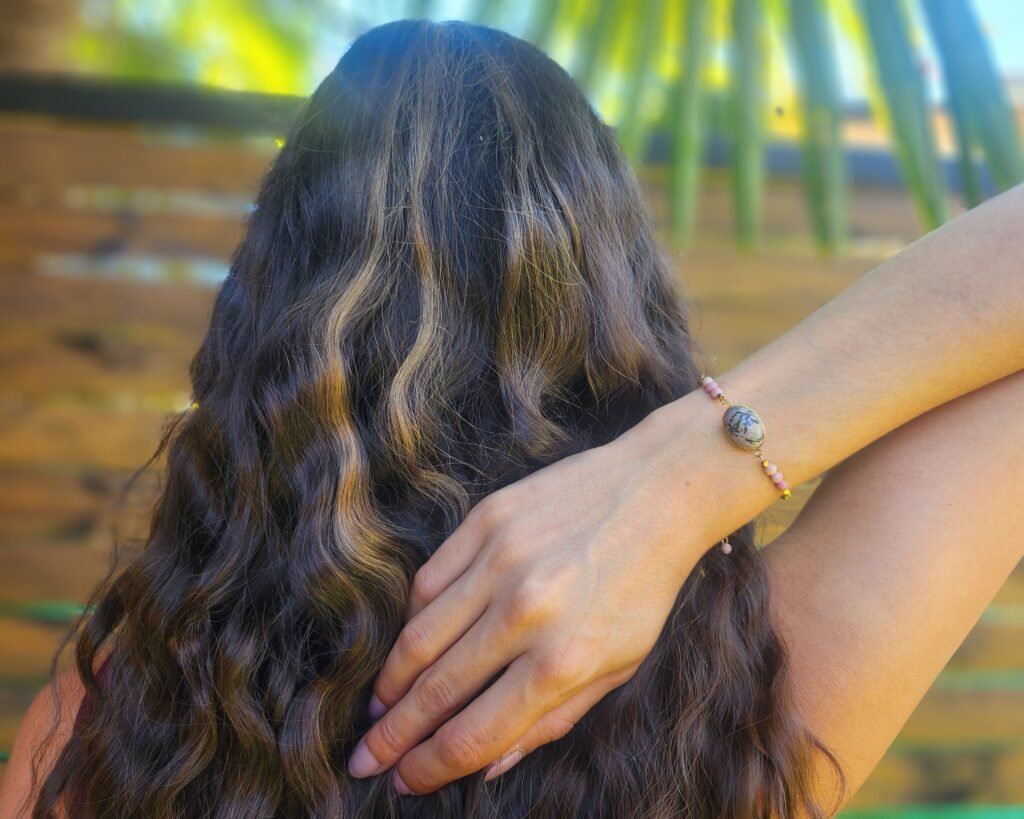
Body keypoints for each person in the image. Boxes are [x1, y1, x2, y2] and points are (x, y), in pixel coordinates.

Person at [2, 16, 1023, 819]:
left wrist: (673, 483)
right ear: (620, 293)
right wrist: (683, 472)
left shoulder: (108, 723)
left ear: (262, 307)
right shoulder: (751, 699)